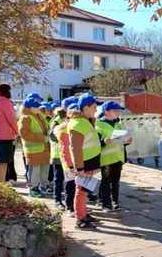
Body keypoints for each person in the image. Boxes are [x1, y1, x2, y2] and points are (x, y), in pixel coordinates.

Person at [67, 94, 105, 229]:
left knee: (85, 190)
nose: (96, 110)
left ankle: (83, 212)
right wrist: (80, 168)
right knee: (81, 190)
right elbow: (75, 148)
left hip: (90, 162)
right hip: (85, 163)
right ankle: (80, 218)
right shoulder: (78, 124)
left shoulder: (85, 121)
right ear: (86, 107)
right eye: (94, 107)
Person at [96, 101, 129, 212]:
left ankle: (115, 202)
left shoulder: (118, 123)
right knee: (106, 181)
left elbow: (121, 140)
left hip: (118, 157)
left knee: (116, 181)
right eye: (115, 111)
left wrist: (127, 141)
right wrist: (104, 141)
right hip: (106, 159)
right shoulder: (98, 125)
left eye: (118, 111)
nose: (118, 113)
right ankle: (105, 203)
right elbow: (97, 143)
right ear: (107, 112)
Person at [18, 96, 51, 198]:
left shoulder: (39, 116)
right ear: (29, 108)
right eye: (35, 107)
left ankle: (43, 186)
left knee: (44, 170)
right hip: (34, 150)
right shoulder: (25, 118)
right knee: (34, 171)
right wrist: (42, 138)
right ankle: (33, 189)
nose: (38, 108)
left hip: (44, 148)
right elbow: (24, 134)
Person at [55, 97, 78, 217]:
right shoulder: (64, 127)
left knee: (77, 185)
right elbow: (65, 148)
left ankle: (75, 206)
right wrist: (69, 164)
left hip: (77, 160)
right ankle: (69, 207)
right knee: (69, 185)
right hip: (68, 161)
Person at [48, 101, 67, 209]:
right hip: (58, 154)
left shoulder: (68, 119)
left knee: (68, 179)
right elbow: (51, 135)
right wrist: (64, 139)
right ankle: (57, 200)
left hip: (68, 154)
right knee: (58, 178)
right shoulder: (57, 120)